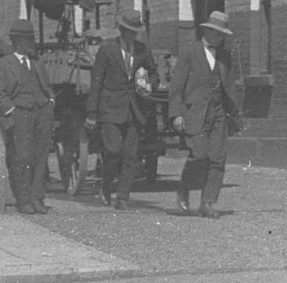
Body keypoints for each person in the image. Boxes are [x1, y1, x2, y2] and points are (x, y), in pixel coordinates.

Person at [170, 11, 241, 218]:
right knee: (199, 155)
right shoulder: (190, 52)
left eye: (222, 35)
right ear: (208, 32)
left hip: (218, 112)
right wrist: (176, 114)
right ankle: (184, 187)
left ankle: (208, 202)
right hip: (195, 113)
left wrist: (233, 113)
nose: (220, 38)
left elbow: (230, 86)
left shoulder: (225, 56)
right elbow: (176, 87)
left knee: (218, 158)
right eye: (217, 34)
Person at [86, 12, 155, 209]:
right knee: (113, 150)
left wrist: (148, 83)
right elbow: (96, 81)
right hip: (110, 109)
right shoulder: (107, 50)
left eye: (135, 32)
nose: (131, 35)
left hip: (135, 109)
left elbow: (153, 73)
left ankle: (123, 197)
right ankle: (106, 185)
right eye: (128, 31)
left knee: (130, 154)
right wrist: (92, 113)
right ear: (121, 30)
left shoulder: (142, 50)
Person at [0, 23, 54, 214]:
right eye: (27, 39)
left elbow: (47, 87)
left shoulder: (37, 62)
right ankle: (24, 199)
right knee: (22, 157)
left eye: (31, 39)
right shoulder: (4, 64)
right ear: (17, 41)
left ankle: (37, 197)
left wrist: (50, 103)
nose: (31, 43)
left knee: (41, 157)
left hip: (41, 113)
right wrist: (13, 112)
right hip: (21, 114)